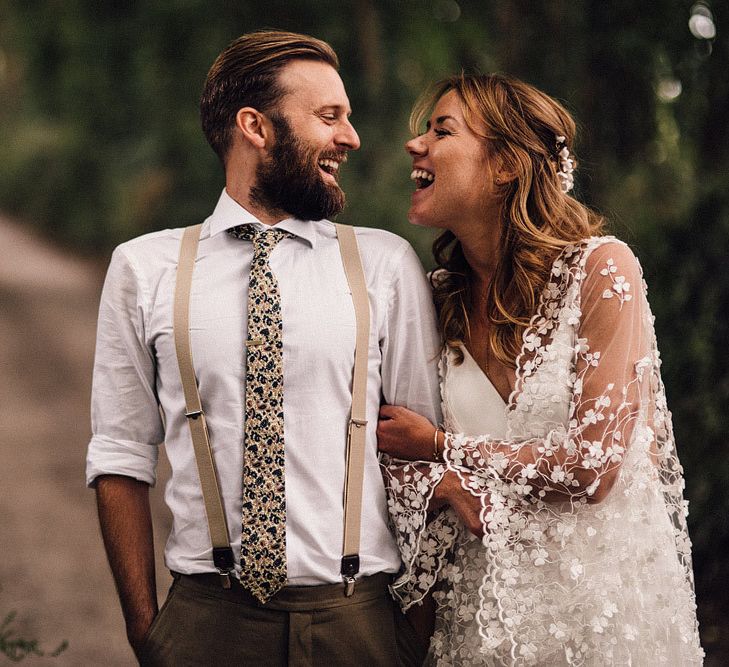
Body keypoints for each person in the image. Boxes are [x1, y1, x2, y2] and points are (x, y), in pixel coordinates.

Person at [86, 30, 440, 666]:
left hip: (359, 621)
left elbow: (423, 454)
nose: (351, 137)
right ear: (256, 125)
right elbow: (119, 455)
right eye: (329, 117)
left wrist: (414, 628)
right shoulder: (143, 268)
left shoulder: (386, 265)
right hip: (206, 623)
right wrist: (148, 633)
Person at [377, 73, 704, 665]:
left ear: (505, 165)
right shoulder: (428, 302)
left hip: (606, 627)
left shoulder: (602, 273)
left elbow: (593, 466)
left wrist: (443, 446)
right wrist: (437, 479)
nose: (415, 145)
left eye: (441, 130)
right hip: (479, 627)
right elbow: (382, 449)